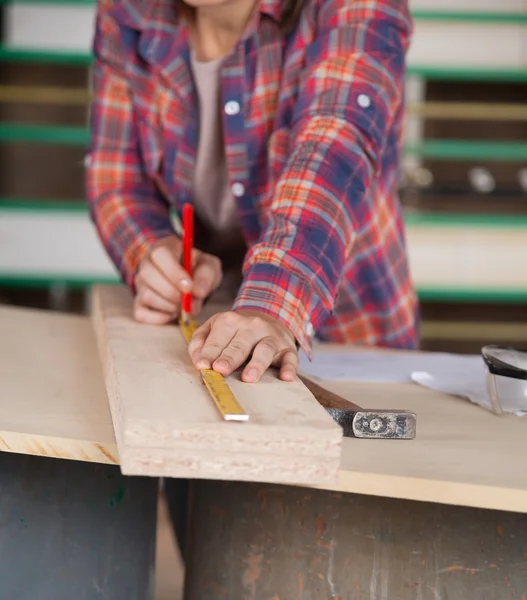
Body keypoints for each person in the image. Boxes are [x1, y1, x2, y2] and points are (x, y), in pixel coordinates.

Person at [86, 0, 418, 557]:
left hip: (351, 329)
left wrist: (272, 302)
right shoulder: (128, 11)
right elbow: (116, 178)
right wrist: (152, 253)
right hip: (209, 326)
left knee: (341, 558)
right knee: (216, 553)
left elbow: (333, 144)